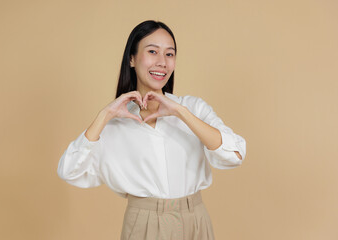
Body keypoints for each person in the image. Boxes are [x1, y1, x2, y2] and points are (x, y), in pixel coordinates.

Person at [57, 20, 246, 240]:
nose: (162, 62)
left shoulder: (193, 108)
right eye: (153, 51)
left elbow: (235, 155)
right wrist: (105, 115)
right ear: (132, 58)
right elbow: (69, 171)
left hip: (196, 220)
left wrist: (180, 112)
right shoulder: (114, 124)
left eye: (169, 54)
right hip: (144, 224)